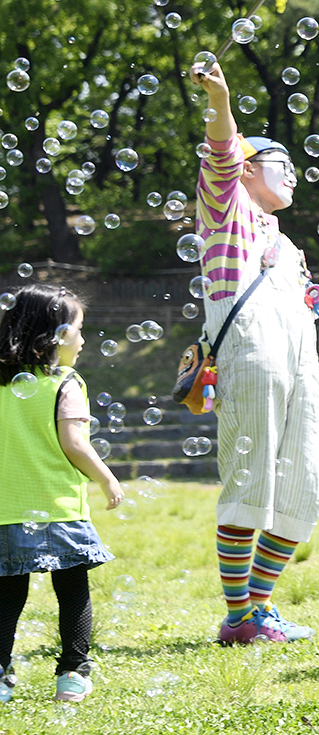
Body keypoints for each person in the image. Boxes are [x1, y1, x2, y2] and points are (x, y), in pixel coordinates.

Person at [189, 61, 319, 646]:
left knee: (304, 491)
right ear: (250, 168)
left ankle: (260, 609)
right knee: (251, 482)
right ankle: (239, 616)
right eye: (284, 167)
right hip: (250, 360)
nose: (295, 178)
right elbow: (219, 155)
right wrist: (221, 96)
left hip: (300, 376)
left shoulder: (288, 247)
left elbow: (302, 330)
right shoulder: (226, 217)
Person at [0, 285, 125, 704]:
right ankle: (72, 674)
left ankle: (0, 677)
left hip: (4, 507)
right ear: (52, 335)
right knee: (72, 590)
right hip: (58, 507)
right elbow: (74, 443)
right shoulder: (64, 382)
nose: (84, 338)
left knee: (6, 595)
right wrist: (107, 478)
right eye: (78, 329)